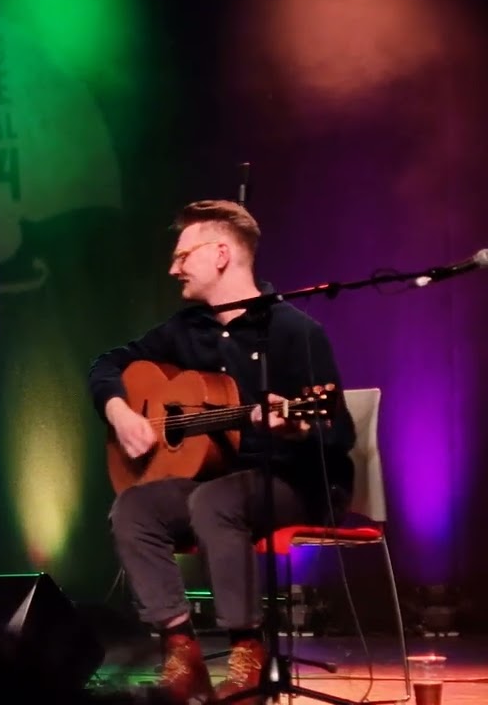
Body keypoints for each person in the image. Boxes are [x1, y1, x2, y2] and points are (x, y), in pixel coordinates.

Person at [87, 201, 355, 704]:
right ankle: (181, 650)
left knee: (215, 503)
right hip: (218, 484)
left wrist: (295, 430)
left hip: (298, 482)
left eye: (182, 255)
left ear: (222, 254)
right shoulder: (186, 330)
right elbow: (107, 363)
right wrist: (120, 412)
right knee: (134, 507)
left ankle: (247, 654)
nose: (173, 268)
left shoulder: (295, 331)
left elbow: (336, 436)